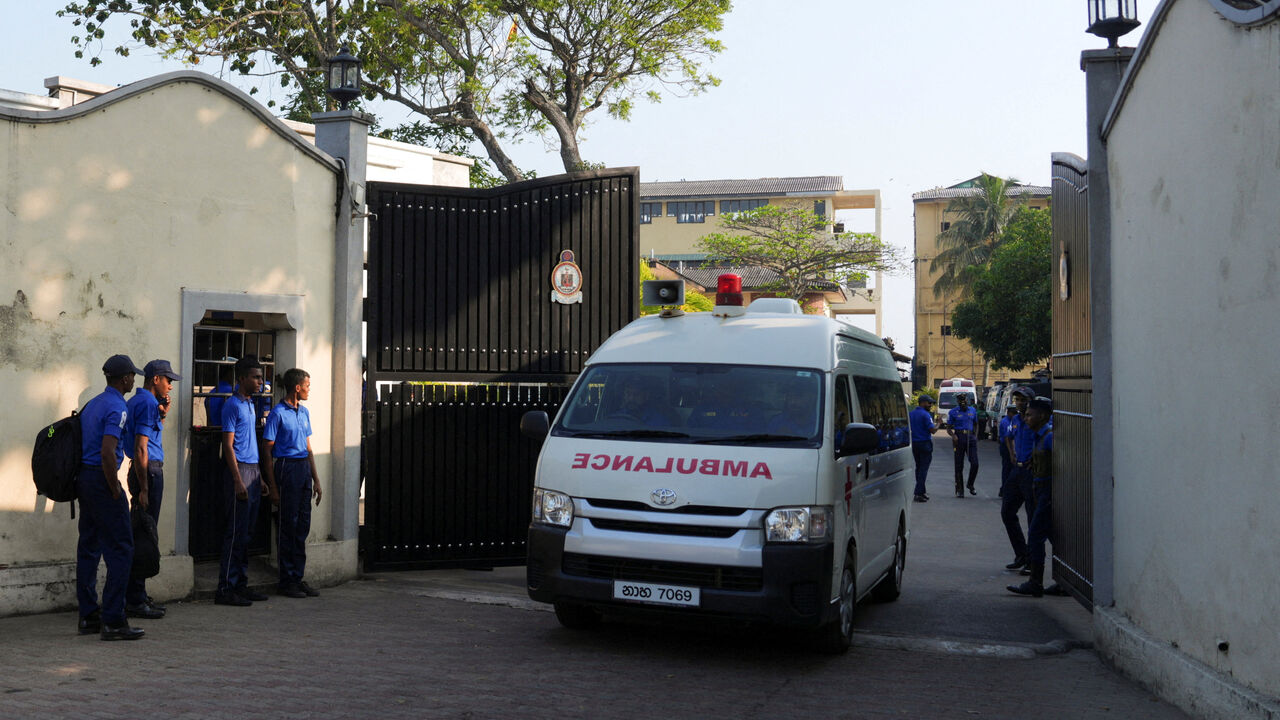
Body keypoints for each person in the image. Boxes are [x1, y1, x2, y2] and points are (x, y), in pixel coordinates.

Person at [76, 354, 146, 641]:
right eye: (132, 376)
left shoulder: (93, 403)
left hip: (85, 479)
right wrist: (115, 488)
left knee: (89, 547)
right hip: (102, 479)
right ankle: (114, 620)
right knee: (121, 549)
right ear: (125, 378)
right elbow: (108, 451)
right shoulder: (118, 407)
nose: (134, 380)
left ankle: (88, 615)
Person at [121, 359, 181, 621]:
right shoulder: (146, 403)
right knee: (144, 537)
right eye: (168, 380)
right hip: (149, 471)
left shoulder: (138, 402)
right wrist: (145, 487)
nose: (170, 386)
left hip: (144, 469)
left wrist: (163, 414)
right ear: (155, 379)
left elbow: (149, 437)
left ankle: (137, 595)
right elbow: (141, 447)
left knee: (141, 534)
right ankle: (134, 599)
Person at [216, 356, 277, 606]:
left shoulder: (251, 405)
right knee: (235, 532)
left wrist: (260, 478)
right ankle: (225, 588)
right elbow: (228, 446)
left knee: (247, 534)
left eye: (261, 377)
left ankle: (241, 584)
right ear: (241, 378)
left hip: (252, 470)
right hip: (239, 471)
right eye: (255, 377)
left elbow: (251, 443)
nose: (260, 381)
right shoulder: (232, 405)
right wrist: (238, 480)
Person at [263, 368, 323, 599]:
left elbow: (308, 447)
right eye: (307, 385)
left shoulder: (304, 412)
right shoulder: (277, 414)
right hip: (287, 467)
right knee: (288, 525)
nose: (309, 389)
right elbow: (267, 450)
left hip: (303, 468)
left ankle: (297, 577)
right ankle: (286, 580)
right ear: (297, 387)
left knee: (302, 526)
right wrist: (274, 486)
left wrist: (316, 479)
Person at [1008, 397, 1057, 597]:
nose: (1026, 418)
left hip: (1048, 492)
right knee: (1055, 536)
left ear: (1043, 416)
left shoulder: (1049, 437)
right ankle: (1064, 581)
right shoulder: (1039, 436)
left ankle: (1035, 582)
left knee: (1036, 534)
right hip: (1040, 489)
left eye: (1030, 415)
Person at [1000, 387, 1036, 570]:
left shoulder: (1038, 419)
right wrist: (1012, 454)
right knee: (1007, 512)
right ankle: (1021, 554)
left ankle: (1033, 560)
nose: (1020, 403)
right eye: (1018, 399)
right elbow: (1010, 437)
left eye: (1024, 399)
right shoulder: (1015, 419)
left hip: (1031, 473)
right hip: (1017, 470)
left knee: (1033, 517)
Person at [946, 393, 980, 497]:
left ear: (967, 401)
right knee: (959, 465)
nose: (963, 404)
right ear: (958, 402)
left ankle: (970, 484)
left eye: (965, 402)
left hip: (970, 438)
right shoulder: (953, 412)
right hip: (959, 438)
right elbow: (948, 427)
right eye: (961, 402)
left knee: (975, 463)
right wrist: (953, 435)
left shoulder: (972, 410)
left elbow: (976, 423)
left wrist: (976, 436)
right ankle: (960, 490)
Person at [909, 395, 937, 502]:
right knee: (923, 469)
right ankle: (918, 493)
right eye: (929, 403)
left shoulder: (911, 414)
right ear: (923, 403)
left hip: (915, 443)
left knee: (919, 468)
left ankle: (922, 491)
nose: (930, 405)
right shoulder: (925, 415)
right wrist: (939, 423)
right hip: (925, 443)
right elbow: (933, 430)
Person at [997, 404, 1019, 496]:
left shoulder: (1016, 420)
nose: (1014, 415)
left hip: (1014, 446)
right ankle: (1005, 489)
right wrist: (1011, 453)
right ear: (1008, 412)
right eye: (1012, 413)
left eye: (1015, 413)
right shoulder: (1005, 422)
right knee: (1007, 468)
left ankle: (1009, 489)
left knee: (1013, 469)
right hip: (1006, 447)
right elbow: (1007, 438)